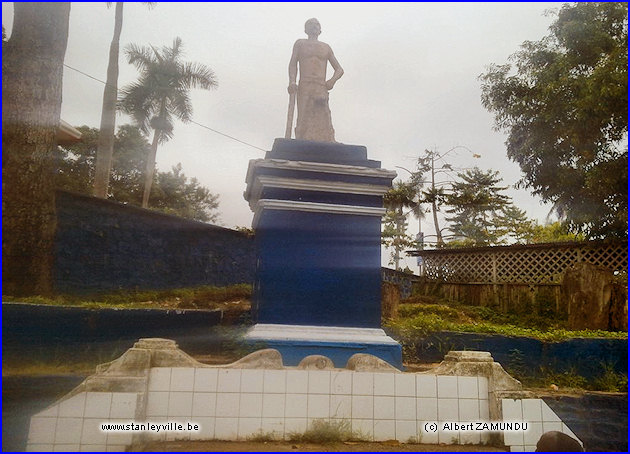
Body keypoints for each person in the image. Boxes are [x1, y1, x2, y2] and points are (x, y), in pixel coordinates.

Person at [288, 18, 344, 142]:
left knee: (323, 114)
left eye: (317, 24)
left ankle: (327, 140)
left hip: (320, 85)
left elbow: (339, 69)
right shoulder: (300, 44)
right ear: (305, 29)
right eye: (311, 24)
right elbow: (293, 64)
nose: (314, 26)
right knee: (302, 116)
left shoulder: (326, 47)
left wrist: (332, 81)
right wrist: (292, 81)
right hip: (305, 84)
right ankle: (300, 141)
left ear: (320, 30)